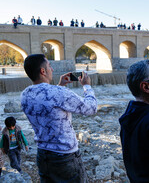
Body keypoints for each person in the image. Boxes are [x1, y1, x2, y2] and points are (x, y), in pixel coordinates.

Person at [21, 54, 97, 182]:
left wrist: (60, 85)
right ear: (43, 71)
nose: (52, 69)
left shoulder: (25, 94)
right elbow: (91, 108)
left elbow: (48, 105)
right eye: (50, 66)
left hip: (42, 154)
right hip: (64, 156)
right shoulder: (58, 93)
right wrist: (87, 86)